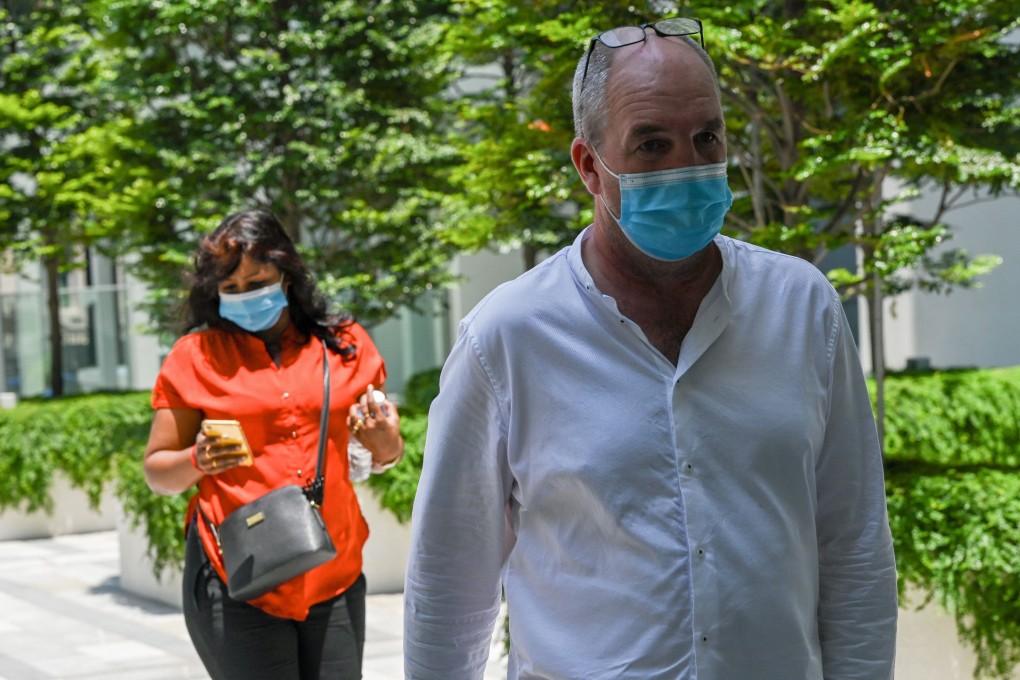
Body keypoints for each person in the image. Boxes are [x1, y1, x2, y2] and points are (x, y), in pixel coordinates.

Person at [403, 17, 897, 680]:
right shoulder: (507, 337)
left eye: (706, 138)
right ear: (589, 166)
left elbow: (855, 546)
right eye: (652, 144)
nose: (687, 166)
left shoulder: (802, 308)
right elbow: (448, 582)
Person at [143, 209, 404, 680]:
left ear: (286, 274)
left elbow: (379, 454)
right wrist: (198, 458)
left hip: (334, 569)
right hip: (236, 576)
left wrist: (387, 443)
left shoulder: (345, 345)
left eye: (257, 282)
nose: (245, 295)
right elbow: (157, 472)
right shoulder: (195, 358)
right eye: (231, 287)